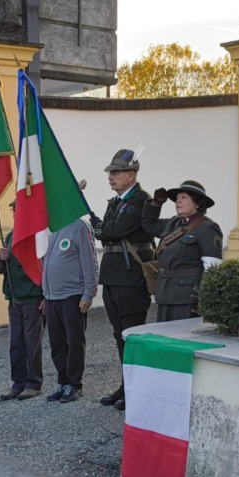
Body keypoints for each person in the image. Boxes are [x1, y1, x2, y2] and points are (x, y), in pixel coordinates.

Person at [94, 148, 155, 409]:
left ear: (131, 175)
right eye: (111, 173)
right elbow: (106, 233)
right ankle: (126, 384)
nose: (111, 177)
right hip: (113, 274)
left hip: (131, 277)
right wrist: (103, 229)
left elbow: (116, 230)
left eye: (116, 173)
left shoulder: (141, 200)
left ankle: (136, 388)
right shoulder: (116, 202)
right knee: (119, 335)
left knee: (132, 335)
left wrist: (103, 229)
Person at [141, 180, 224, 322]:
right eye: (177, 198)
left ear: (198, 203)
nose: (178, 202)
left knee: (182, 339)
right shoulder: (174, 223)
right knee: (164, 338)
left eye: (184, 198)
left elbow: (212, 268)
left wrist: (207, 300)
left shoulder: (208, 228)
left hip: (188, 296)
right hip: (165, 291)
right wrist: (156, 204)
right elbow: (149, 225)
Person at [42, 218, 98, 403]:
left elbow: (89, 260)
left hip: (72, 295)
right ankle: (63, 381)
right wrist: (45, 293)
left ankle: (75, 384)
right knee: (57, 344)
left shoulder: (79, 227)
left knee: (74, 342)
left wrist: (89, 293)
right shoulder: (50, 229)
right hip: (52, 297)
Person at [0, 200, 44, 401]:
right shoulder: (10, 235)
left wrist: (45, 296)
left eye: (19, 210)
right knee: (16, 343)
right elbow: (0, 269)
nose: (15, 213)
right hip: (14, 298)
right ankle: (18, 382)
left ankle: (33, 383)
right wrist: (1, 258)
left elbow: (44, 267)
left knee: (32, 342)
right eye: (14, 210)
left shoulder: (37, 235)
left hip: (33, 296)